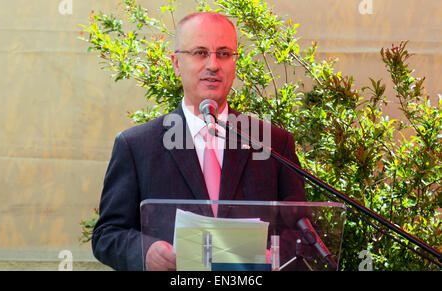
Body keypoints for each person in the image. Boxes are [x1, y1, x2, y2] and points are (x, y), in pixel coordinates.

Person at [92, 11, 306, 271]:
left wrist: (274, 256)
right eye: (200, 53)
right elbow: (107, 234)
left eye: (224, 53)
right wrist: (146, 252)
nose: (213, 65)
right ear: (176, 63)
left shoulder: (273, 143)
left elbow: (301, 229)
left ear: (235, 63)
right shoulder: (136, 146)